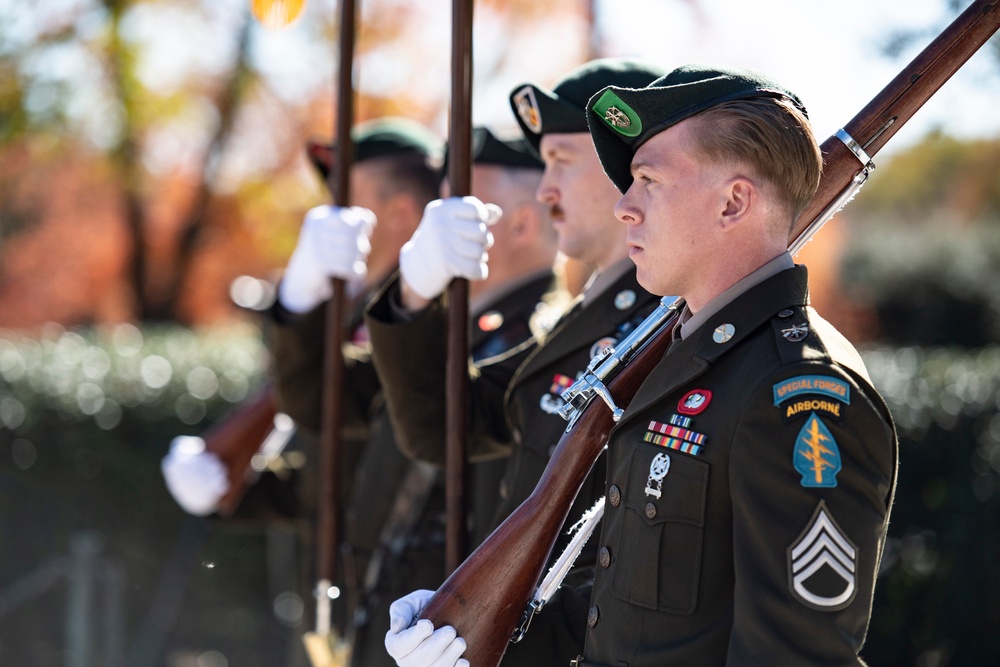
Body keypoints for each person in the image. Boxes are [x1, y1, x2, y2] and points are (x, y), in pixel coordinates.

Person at [385, 64, 899, 667]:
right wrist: (467, 641)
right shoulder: (676, 359)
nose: (625, 207)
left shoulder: (799, 392)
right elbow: (633, 614)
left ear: (734, 202)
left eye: (648, 180)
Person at [365, 58, 668, 665]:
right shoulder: (591, 324)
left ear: (626, 167)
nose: (546, 188)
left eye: (561, 160)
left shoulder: (666, 326)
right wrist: (414, 294)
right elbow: (443, 429)